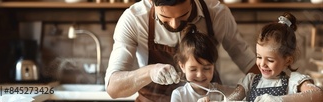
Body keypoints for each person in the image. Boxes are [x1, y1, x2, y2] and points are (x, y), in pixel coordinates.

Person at [105, 0, 257, 101]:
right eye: (165, 17)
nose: (174, 24)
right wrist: (151, 72)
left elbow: (246, 58)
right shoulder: (134, 19)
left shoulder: (217, 13)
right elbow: (113, 88)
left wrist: (272, 86)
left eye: (183, 15)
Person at [200, 12, 323, 102]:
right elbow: (231, 99)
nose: (262, 64)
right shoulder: (249, 81)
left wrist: (278, 100)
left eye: (270, 60)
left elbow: (318, 94)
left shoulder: (293, 81)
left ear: (288, 60)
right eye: (259, 57)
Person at [170, 24, 220, 102]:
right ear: (182, 66)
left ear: (213, 66)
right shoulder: (179, 95)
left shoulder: (219, 92)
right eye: (193, 69)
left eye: (206, 68)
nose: (200, 75)